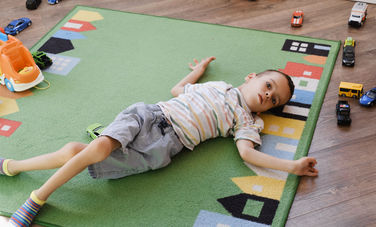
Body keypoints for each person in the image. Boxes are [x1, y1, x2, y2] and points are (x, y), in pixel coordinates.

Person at [0, 56, 318, 227]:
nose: (267, 95)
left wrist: (291, 166)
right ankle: (37, 198)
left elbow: (249, 155)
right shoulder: (218, 85)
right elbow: (177, 90)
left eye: (273, 100)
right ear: (251, 77)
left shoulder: (247, 121)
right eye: (268, 85)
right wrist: (198, 71)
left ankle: (13, 166)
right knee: (97, 149)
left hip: (163, 146)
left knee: (74, 151)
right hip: (150, 115)